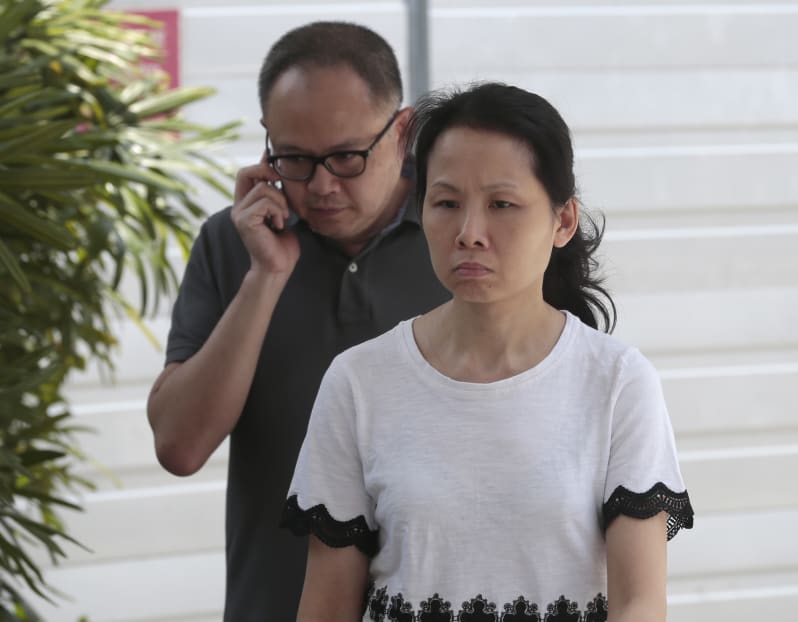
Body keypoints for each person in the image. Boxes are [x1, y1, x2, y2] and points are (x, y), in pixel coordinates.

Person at [281, 82, 695, 622]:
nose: (470, 233)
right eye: (447, 203)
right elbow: (325, 608)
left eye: (502, 204)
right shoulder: (359, 382)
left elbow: (639, 603)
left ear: (562, 221)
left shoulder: (617, 381)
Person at [146, 22, 450, 622]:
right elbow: (179, 447)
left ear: (404, 130)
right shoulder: (232, 244)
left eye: (346, 156)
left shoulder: (464, 237)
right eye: (295, 159)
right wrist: (264, 278)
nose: (322, 186)